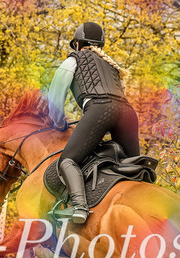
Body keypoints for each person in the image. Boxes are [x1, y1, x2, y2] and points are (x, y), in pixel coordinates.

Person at [48, 22, 140, 224]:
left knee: (68, 161)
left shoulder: (73, 60)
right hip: (128, 113)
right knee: (135, 165)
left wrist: (58, 123)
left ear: (77, 44)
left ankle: (79, 207)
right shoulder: (112, 67)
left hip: (100, 110)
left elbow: (55, 96)